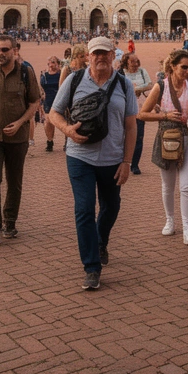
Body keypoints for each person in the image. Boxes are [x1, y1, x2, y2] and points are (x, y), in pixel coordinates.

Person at [48, 36, 138, 292]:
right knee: (84, 209)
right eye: (95, 53)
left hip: (112, 159)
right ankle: (91, 267)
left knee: (111, 206)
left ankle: (100, 240)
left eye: (105, 53)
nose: (100, 57)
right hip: (80, 156)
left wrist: (127, 161)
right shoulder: (75, 80)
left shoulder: (123, 85)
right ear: (88, 56)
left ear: (113, 55)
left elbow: (131, 126)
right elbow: (53, 113)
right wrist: (68, 130)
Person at [0, 37, 42, 241]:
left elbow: (34, 101)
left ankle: (10, 222)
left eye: (5, 49)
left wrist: (21, 122)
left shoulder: (25, 73)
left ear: (14, 50)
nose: (0, 53)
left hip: (17, 138)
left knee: (14, 181)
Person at [140, 50, 188, 244]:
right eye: (184, 67)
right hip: (168, 140)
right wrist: (164, 116)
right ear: (173, 66)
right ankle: (170, 220)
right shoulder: (161, 87)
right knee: (168, 185)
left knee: (187, 186)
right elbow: (143, 114)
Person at [123, 53, 153, 176]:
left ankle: (135, 164)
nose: (135, 64)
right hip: (124, 110)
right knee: (122, 137)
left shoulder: (142, 72)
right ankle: (123, 161)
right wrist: (139, 88)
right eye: (132, 62)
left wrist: (136, 89)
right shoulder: (121, 73)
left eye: (137, 61)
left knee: (139, 137)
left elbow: (150, 85)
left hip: (140, 109)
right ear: (126, 63)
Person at [40, 56, 62, 152]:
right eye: (50, 62)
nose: (51, 64)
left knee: (63, 120)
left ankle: (66, 141)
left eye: (53, 62)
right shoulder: (44, 75)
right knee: (48, 122)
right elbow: (41, 87)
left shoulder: (61, 74)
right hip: (48, 100)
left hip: (60, 99)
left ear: (57, 64)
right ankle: (50, 141)